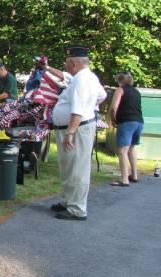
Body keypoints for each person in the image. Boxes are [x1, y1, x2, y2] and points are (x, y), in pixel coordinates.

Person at [50, 45, 107, 220]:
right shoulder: (89, 77)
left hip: (77, 129)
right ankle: (69, 201)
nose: (65, 65)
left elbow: (77, 109)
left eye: (67, 62)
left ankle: (77, 209)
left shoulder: (81, 80)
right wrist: (89, 107)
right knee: (69, 167)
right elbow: (102, 96)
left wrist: (70, 132)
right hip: (78, 127)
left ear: (74, 63)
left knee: (77, 169)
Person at [109, 71, 144, 186]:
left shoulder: (120, 90)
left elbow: (114, 107)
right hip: (139, 122)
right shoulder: (136, 92)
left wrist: (113, 120)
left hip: (126, 122)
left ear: (119, 80)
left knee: (122, 151)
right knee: (131, 148)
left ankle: (124, 179)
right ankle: (134, 175)